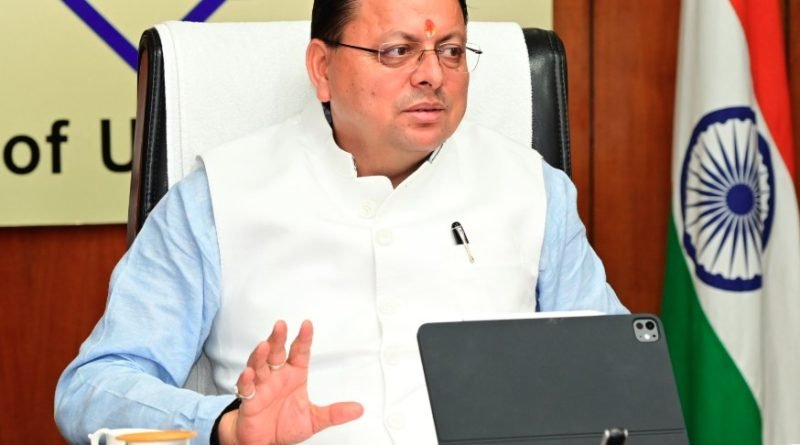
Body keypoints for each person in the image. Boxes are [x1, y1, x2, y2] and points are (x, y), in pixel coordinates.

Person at [55, 0, 628, 444]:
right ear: (321, 68)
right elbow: (92, 390)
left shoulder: (533, 188)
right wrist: (226, 425)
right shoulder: (217, 198)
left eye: (451, 50)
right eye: (398, 51)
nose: (433, 74)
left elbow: (619, 376)